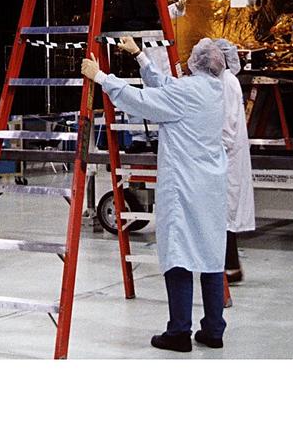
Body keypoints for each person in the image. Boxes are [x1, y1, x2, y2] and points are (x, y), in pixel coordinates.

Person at [81, 36, 228, 352]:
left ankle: (178, 333)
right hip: (211, 186)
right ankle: (214, 330)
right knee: (211, 255)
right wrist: (139, 57)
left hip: (183, 187)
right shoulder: (217, 89)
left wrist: (101, 77)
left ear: (196, 61)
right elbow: (165, 87)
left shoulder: (185, 93)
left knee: (178, 253)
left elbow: (141, 101)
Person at [215, 39, 255, 283]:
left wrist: (213, 151)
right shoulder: (225, 81)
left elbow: (227, 127)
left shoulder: (226, 82)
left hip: (227, 157)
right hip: (227, 155)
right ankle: (230, 266)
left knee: (225, 213)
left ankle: (230, 267)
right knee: (224, 213)